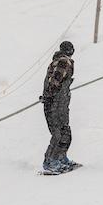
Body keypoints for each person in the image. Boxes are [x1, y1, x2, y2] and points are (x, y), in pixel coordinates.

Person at [41, 42, 76, 175]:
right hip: (54, 103)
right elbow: (55, 81)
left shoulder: (62, 61)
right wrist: (49, 95)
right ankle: (50, 161)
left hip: (61, 103)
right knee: (58, 133)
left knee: (65, 131)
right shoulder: (63, 61)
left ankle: (61, 157)